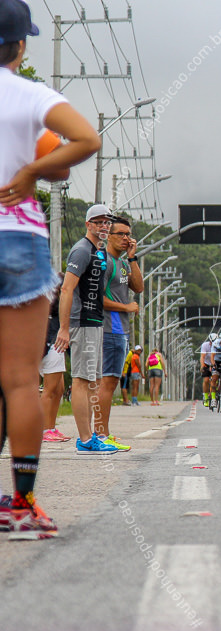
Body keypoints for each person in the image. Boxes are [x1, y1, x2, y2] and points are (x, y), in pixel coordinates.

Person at [0, 0, 101, 538]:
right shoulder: (26, 93)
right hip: (16, 236)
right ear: (20, 46)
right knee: (19, 381)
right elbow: (87, 141)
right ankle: (20, 504)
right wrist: (34, 169)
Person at [56, 204, 119, 454]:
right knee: (82, 380)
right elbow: (66, 289)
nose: (104, 226)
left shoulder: (98, 252)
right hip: (80, 322)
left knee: (95, 380)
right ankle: (84, 439)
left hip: (95, 321)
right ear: (88, 224)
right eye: (99, 221)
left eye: (107, 222)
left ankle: (94, 435)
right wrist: (64, 328)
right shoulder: (81, 251)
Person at [97, 215, 142, 450]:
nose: (126, 238)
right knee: (107, 382)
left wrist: (132, 257)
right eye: (121, 234)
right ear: (109, 236)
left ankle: (103, 433)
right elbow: (97, 298)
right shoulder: (104, 261)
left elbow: (139, 287)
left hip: (121, 329)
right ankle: (100, 435)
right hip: (109, 328)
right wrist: (126, 307)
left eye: (128, 234)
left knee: (111, 382)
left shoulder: (123, 263)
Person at [40, 276, 69, 442]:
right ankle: (45, 429)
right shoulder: (54, 302)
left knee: (59, 389)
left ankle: (50, 427)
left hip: (52, 346)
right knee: (50, 391)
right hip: (52, 344)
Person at [199, 332, 217, 407]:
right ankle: (205, 397)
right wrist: (202, 366)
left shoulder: (218, 346)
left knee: (215, 380)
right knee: (206, 380)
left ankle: (213, 398)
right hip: (206, 363)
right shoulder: (205, 345)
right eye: (211, 342)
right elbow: (202, 357)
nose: (212, 344)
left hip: (215, 363)